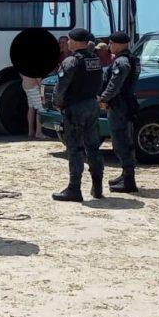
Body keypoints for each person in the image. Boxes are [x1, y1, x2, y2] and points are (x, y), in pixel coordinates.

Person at [52, 28, 106, 202]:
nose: (67, 43)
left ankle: (74, 188)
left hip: (75, 107)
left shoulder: (71, 61)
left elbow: (61, 86)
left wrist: (57, 103)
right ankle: (97, 187)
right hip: (92, 104)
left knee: (75, 148)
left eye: (69, 40)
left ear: (74, 41)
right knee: (93, 147)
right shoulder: (95, 60)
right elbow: (100, 82)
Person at [100, 31, 142, 193]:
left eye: (110, 43)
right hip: (126, 102)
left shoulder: (122, 61)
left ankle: (129, 180)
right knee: (124, 139)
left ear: (117, 44)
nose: (109, 46)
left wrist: (104, 98)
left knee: (120, 140)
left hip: (120, 104)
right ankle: (125, 175)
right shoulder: (132, 59)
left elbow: (114, 84)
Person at [23, 74, 45, 139]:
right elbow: (40, 82)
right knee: (41, 109)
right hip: (34, 87)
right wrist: (43, 95)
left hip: (26, 86)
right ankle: (39, 133)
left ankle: (31, 131)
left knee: (31, 108)